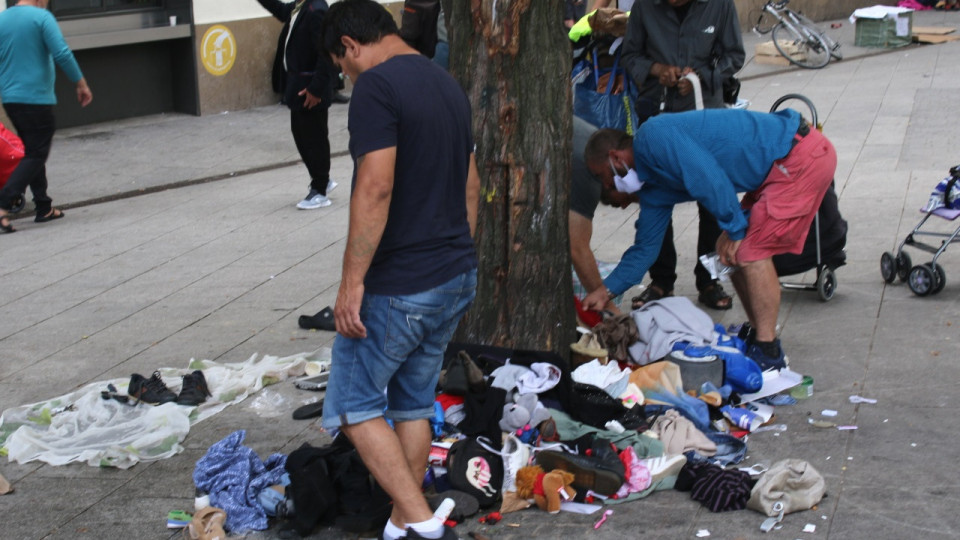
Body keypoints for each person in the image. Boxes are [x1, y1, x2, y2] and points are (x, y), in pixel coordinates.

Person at [319, 2, 480, 539]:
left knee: (355, 405)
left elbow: (375, 185)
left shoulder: (376, 88)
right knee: (411, 401)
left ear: (349, 44)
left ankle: (422, 524)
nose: (345, 72)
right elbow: (471, 184)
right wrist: (458, 252)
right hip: (453, 272)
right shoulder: (444, 81)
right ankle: (401, 524)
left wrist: (351, 283)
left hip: (401, 284)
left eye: (340, 62)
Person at [580, 108, 837, 371]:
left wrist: (736, 230)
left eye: (604, 178)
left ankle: (769, 351)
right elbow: (645, 248)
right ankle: (760, 334)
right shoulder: (654, 189)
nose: (608, 187)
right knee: (726, 254)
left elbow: (707, 176)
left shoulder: (652, 137)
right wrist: (606, 290)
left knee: (750, 250)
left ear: (615, 157)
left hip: (799, 157)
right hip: (777, 170)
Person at [619, 0, 745, 311]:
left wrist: (701, 76)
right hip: (657, 116)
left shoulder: (719, 6)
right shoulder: (646, 7)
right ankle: (661, 280)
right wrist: (655, 69)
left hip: (705, 117)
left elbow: (735, 56)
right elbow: (630, 55)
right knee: (655, 196)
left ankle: (709, 279)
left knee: (712, 198)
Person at [0, 0, 92, 233]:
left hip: (11, 99)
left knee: (33, 150)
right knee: (37, 152)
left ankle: (43, 207)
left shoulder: (3, 19)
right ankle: (3, 204)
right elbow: (61, 52)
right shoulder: (42, 18)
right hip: (35, 99)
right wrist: (80, 83)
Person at [257, 0, 339, 210]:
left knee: (314, 138)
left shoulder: (317, 10)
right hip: (299, 87)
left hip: (310, 89)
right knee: (301, 134)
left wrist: (316, 89)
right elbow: (282, 11)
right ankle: (322, 178)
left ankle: (320, 189)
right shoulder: (302, 5)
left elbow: (326, 55)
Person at [569, 116, 637, 315]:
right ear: (616, 160)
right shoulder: (588, 168)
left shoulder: (597, 157)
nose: (624, 206)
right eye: (628, 198)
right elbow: (578, 248)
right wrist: (609, 308)